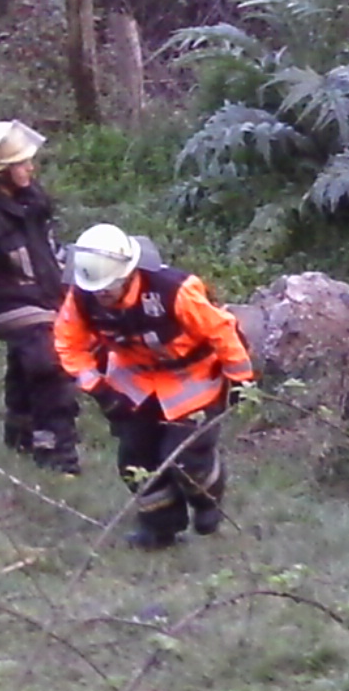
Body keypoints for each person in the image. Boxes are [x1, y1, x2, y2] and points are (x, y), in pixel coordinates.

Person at [54, 223, 256, 548]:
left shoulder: (174, 290)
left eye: (108, 287)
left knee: (187, 460)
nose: (102, 295)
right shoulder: (83, 297)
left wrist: (241, 381)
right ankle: (161, 527)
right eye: (97, 289)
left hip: (193, 382)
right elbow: (69, 345)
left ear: (128, 273)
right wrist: (100, 390)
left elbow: (222, 331)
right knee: (134, 461)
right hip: (134, 385)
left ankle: (207, 501)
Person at [0, 120, 79, 473]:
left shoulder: (32, 198)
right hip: (7, 305)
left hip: (45, 294)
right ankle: (56, 454)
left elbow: (47, 250)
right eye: (20, 163)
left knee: (27, 363)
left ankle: (18, 434)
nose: (30, 167)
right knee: (50, 362)